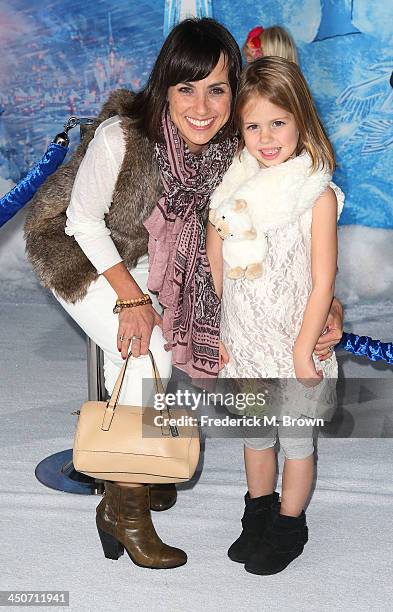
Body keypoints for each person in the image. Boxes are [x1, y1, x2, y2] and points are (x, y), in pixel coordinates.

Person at [24, 18, 343, 570]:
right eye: (186, 87)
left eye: (217, 88)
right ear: (164, 86)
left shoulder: (237, 143)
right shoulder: (124, 136)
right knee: (146, 361)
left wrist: (326, 308)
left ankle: (144, 466)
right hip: (85, 251)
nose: (202, 105)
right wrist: (131, 299)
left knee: (175, 353)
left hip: (162, 261)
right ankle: (125, 512)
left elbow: (272, 238)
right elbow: (81, 221)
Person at [207, 56, 344, 575]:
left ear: (301, 120)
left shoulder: (317, 195)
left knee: (294, 439)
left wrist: (302, 348)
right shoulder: (231, 196)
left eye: (278, 122)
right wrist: (214, 331)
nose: (266, 137)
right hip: (245, 341)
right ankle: (257, 513)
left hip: (294, 342)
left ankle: (289, 525)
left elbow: (322, 280)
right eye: (253, 125)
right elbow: (216, 268)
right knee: (256, 434)